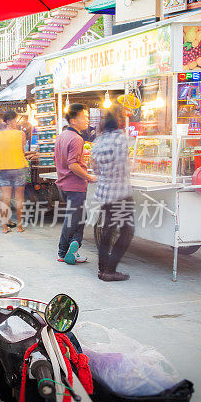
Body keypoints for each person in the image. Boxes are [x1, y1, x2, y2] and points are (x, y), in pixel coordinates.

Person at [91, 107, 134, 281]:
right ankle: (109, 269)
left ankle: (103, 269)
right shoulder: (120, 139)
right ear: (118, 121)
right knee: (127, 231)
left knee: (107, 231)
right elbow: (124, 167)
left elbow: (94, 167)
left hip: (104, 192)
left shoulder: (99, 140)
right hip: (120, 193)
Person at [55, 103, 97, 264]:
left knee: (79, 217)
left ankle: (75, 246)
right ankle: (62, 251)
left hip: (64, 184)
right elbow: (73, 165)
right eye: (83, 117)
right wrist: (89, 177)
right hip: (75, 184)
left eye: (87, 116)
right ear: (73, 120)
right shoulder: (76, 139)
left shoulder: (62, 136)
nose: (86, 120)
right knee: (73, 219)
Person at [0, 110, 28, 233]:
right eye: (15, 120)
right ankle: (20, 226)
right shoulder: (20, 134)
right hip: (19, 167)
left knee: (5, 198)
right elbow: (22, 151)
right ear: (11, 121)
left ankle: (4, 227)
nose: (16, 122)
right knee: (19, 198)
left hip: (3, 169)